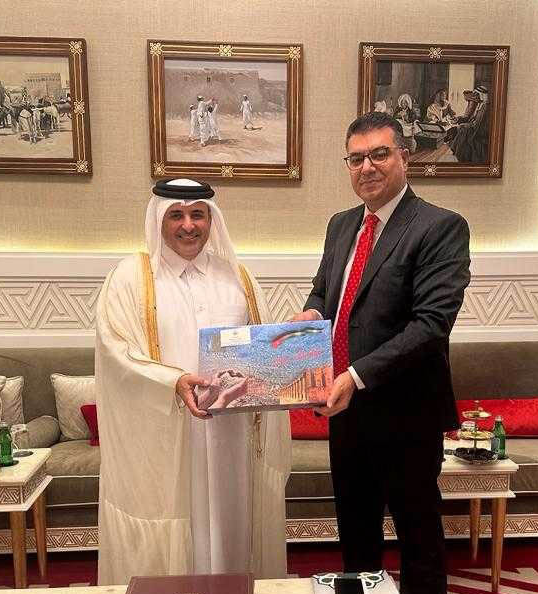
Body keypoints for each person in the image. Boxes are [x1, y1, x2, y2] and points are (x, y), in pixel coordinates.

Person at [290, 112, 470, 594]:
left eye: (379, 154)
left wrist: (355, 375)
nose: (367, 167)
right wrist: (312, 313)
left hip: (407, 412)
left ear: (404, 157)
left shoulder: (440, 227)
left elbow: (430, 325)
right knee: (355, 530)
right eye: (356, 159)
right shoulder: (341, 225)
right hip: (345, 411)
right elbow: (324, 290)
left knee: (418, 534)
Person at [95, 178, 291, 585]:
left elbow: (263, 352)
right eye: (176, 215)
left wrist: (293, 366)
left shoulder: (237, 278)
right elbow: (117, 352)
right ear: (159, 220)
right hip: (167, 435)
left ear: (211, 220)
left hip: (230, 436)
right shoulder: (130, 278)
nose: (188, 225)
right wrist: (174, 381)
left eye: (197, 214)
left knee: (231, 523)